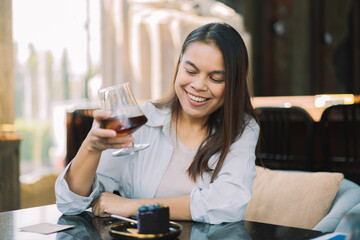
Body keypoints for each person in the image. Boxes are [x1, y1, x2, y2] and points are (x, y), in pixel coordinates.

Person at [55, 22, 260, 224]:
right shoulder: (142, 120)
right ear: (178, 66)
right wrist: (91, 148)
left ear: (233, 83)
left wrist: (135, 207)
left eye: (215, 78)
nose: (198, 85)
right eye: (190, 71)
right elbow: (70, 204)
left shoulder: (242, 130)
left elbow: (228, 203)